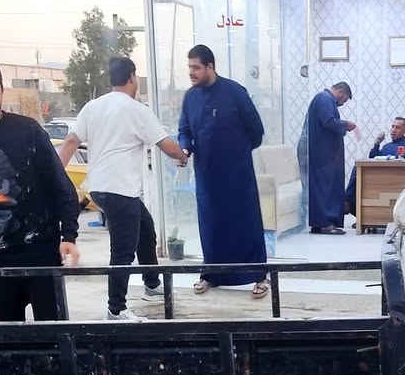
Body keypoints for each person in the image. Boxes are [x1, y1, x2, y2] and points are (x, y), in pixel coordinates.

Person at [0, 57, 80, 322]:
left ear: (2, 91)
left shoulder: (27, 131)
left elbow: (60, 185)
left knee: (55, 337)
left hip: (41, 258)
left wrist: (69, 235)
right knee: (7, 340)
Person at [58, 57, 187, 322]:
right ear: (132, 78)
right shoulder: (136, 110)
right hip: (120, 190)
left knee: (146, 229)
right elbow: (166, 145)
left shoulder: (93, 106)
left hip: (100, 188)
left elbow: (71, 140)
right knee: (123, 250)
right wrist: (183, 156)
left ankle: (152, 284)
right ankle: (115, 309)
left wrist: (56, 174)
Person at [177, 45, 268, 299]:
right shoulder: (190, 98)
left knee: (246, 223)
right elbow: (184, 131)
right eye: (189, 67)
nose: (191, 73)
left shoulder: (235, 92)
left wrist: (237, 152)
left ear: (210, 66)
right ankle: (210, 275)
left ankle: (259, 276)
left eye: (196, 67)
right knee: (211, 224)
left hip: (238, 175)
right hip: (207, 176)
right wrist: (184, 149)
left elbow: (256, 131)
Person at [297, 83, 358, 235]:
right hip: (317, 151)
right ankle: (325, 224)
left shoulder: (324, 99)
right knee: (323, 186)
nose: (342, 104)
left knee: (321, 185)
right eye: (344, 100)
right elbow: (328, 122)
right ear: (341, 92)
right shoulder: (325, 99)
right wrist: (346, 124)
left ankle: (320, 224)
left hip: (318, 150)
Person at [344, 116, 405, 215]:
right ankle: (350, 205)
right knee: (357, 170)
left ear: (404, 130)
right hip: (380, 176)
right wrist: (377, 144)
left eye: (397, 127)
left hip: (396, 178)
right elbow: (373, 158)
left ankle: (348, 203)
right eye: (392, 127)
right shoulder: (387, 146)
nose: (393, 130)